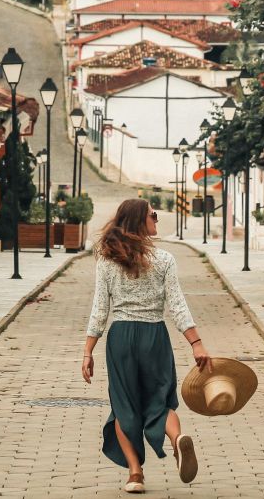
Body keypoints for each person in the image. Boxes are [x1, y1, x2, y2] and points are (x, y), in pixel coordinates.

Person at [81, 198, 212, 494]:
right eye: (153, 214)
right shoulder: (164, 260)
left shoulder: (107, 260)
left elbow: (100, 310)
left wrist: (88, 351)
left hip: (121, 337)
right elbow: (177, 304)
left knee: (124, 405)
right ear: (140, 219)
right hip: (154, 335)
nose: (157, 218)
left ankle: (135, 475)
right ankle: (177, 440)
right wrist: (197, 343)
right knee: (159, 401)